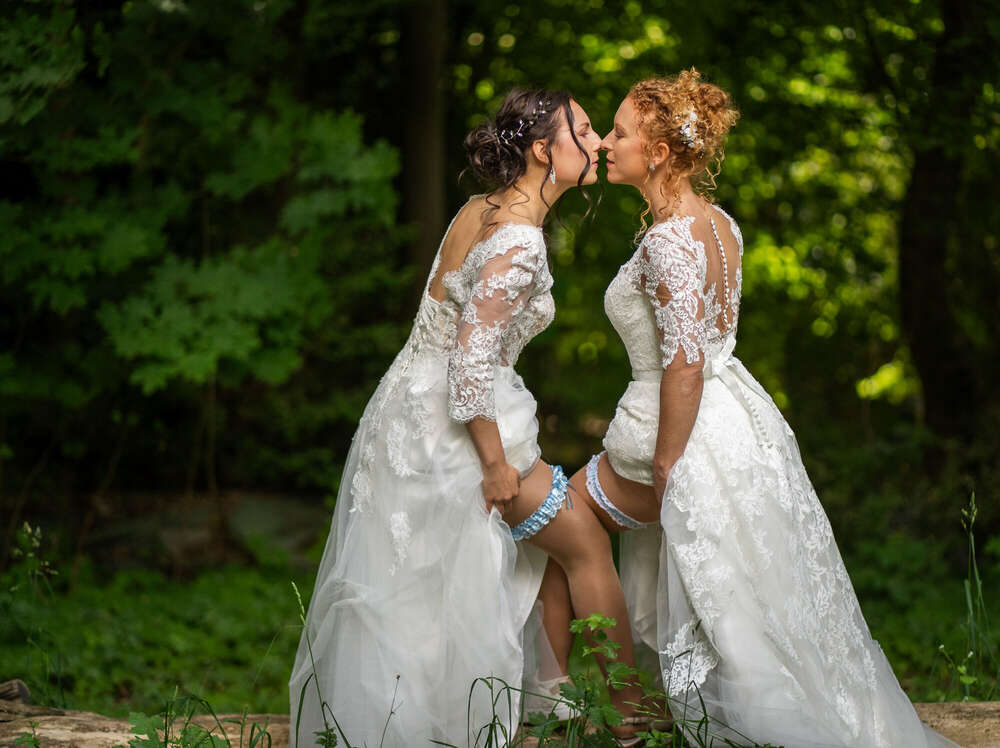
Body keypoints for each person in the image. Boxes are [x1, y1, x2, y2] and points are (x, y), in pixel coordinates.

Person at [538, 68, 957, 747]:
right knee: (724, 595)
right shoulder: (717, 223)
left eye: (619, 134)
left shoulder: (672, 237)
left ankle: (600, 711)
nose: (607, 145)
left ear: (662, 152)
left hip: (669, 428)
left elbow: (684, 359)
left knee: (559, 523)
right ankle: (631, 708)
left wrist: (669, 458)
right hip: (730, 418)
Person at [289, 88, 645, 748]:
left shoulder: (480, 210)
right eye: (588, 129)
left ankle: (546, 705)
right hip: (457, 432)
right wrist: (494, 466)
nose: (599, 142)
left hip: (411, 411)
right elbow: (471, 363)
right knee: (585, 543)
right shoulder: (520, 241)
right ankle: (629, 725)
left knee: (453, 578)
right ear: (544, 150)